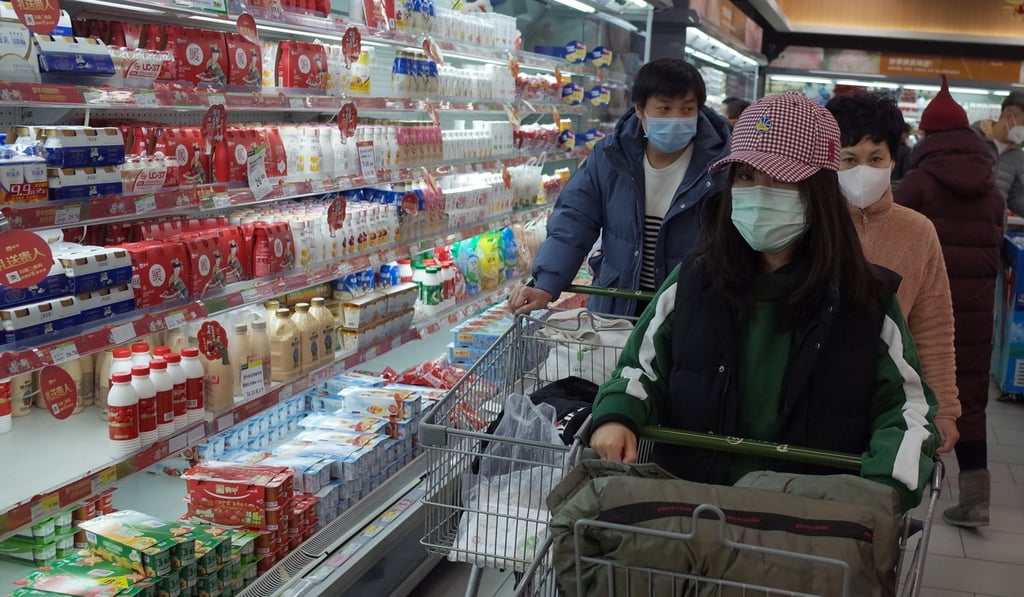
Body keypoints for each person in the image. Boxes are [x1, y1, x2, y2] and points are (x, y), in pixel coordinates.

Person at [588, 92, 939, 512]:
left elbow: (907, 409)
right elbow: (640, 365)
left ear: (819, 190)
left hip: (805, 527)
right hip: (694, 512)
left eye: (780, 179)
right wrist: (618, 414)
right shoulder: (695, 280)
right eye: (746, 176)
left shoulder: (865, 300)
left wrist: (886, 487)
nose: (758, 193)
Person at [509, 58, 731, 317]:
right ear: (640, 109)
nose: (676, 118)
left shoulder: (721, 165)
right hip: (617, 307)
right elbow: (574, 222)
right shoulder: (610, 156)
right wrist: (546, 284)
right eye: (664, 108)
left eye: (687, 109)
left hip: (687, 310)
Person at [824, 92, 960, 456]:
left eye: (875, 158)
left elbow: (933, 326)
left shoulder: (918, 231)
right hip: (815, 396)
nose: (862, 171)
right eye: (849, 159)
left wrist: (944, 408)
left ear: (893, 160)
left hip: (892, 403)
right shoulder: (812, 223)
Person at [896, 78, 1005, 527]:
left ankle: (910, 483)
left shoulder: (918, 183)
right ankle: (976, 497)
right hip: (976, 311)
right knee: (970, 396)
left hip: (923, 310)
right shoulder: (992, 187)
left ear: (927, 135)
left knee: (911, 391)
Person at [971, 90, 1024, 215]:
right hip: (966, 220)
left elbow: (1013, 198)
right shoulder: (971, 139)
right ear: (1010, 117)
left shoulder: (1018, 156)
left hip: (995, 224)